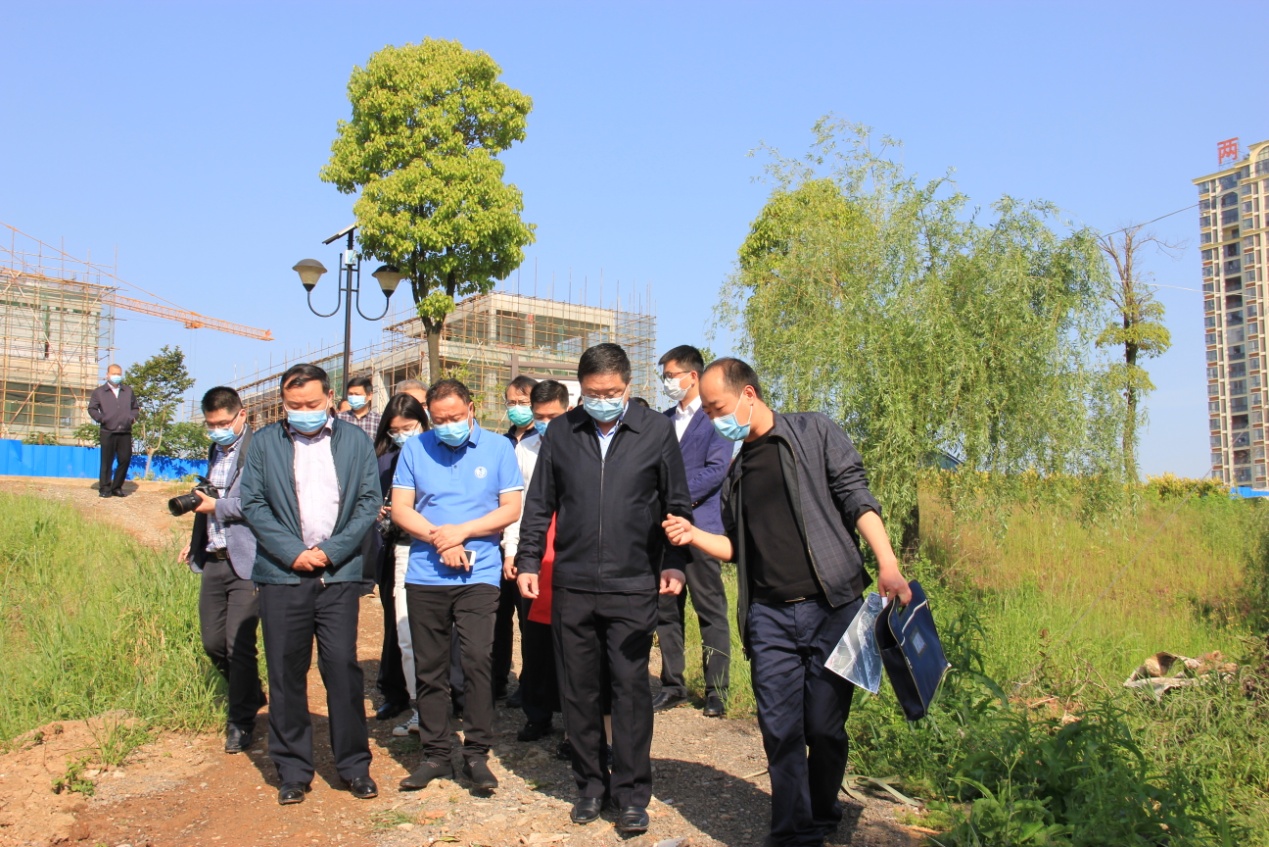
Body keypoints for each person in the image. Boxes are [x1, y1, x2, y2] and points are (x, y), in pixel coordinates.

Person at [662, 358, 912, 847]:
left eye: (716, 407)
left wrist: (887, 562)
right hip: (769, 616)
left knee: (824, 726)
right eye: (707, 411)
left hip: (833, 609)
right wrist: (693, 534)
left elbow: (856, 496)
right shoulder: (737, 471)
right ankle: (793, 831)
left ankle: (823, 809)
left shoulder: (812, 432)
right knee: (779, 729)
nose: (712, 418)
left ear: (748, 394)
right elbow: (736, 547)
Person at [515, 343, 691, 834]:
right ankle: (590, 785)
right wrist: (528, 560)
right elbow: (539, 504)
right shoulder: (562, 433)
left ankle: (632, 794)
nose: (604, 400)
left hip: (633, 583)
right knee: (579, 690)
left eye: (612, 392)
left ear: (629, 386)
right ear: (580, 390)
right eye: (594, 393)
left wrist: (675, 563)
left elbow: (676, 504)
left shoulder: (655, 430)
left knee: (630, 689)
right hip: (573, 584)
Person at [240, 363, 382, 806]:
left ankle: (354, 766)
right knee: (286, 672)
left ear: (330, 397)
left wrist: (332, 551)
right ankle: (293, 770)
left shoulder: (355, 441)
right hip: (283, 575)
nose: (303, 411)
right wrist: (292, 552)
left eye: (312, 404)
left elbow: (368, 501)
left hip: (337, 574)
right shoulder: (265, 442)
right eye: (294, 405)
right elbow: (253, 502)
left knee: (342, 668)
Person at [392, 379, 524, 793]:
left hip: (478, 573)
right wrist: (440, 540)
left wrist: (461, 533)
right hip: (425, 573)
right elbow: (401, 509)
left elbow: (511, 508)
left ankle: (477, 752)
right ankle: (435, 753)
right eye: (439, 419)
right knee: (430, 667)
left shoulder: (498, 448)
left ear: (471, 409)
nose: (447, 424)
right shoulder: (416, 448)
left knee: (477, 660)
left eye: (454, 416)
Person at [177, 386, 266, 754]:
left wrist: (217, 507)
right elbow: (209, 497)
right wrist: (195, 540)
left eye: (223, 423)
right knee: (213, 643)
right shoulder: (215, 451)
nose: (217, 430)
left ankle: (240, 722)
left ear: (241, 415)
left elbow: (261, 503)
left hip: (248, 560)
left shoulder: (260, 450)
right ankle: (252, 692)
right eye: (211, 425)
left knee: (238, 645)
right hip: (214, 558)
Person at [653, 345, 735, 717]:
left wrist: (675, 498)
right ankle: (673, 685)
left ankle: (717, 690)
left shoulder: (715, 417)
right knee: (666, 609)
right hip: (666, 529)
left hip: (701, 529)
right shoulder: (662, 421)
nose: (667, 382)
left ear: (692, 376)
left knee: (710, 609)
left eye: (671, 375)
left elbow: (716, 470)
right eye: (664, 376)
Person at [502, 379, 569, 741]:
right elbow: (515, 506)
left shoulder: (582, 445)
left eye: (552, 417)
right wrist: (512, 550)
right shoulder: (524, 450)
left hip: (571, 551)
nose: (545, 423)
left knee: (572, 638)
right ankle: (538, 713)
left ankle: (574, 719)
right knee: (535, 637)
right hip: (534, 551)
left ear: (567, 410)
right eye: (539, 417)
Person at [367, 394, 430, 726]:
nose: (401, 435)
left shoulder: (435, 452)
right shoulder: (382, 459)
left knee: (433, 626)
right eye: (395, 431)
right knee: (396, 623)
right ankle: (395, 692)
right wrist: (376, 509)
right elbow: (365, 498)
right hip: (393, 548)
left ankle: (444, 694)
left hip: (430, 546)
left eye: (408, 427)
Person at [494, 374, 538, 704]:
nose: (517, 408)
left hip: (528, 540)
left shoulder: (544, 442)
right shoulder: (500, 443)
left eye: (524, 402)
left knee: (529, 618)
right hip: (495, 539)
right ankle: (495, 679)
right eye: (512, 402)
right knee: (496, 616)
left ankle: (530, 683)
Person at [87, 363, 138, 498]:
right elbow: (92, 409)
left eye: (119, 374)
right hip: (107, 431)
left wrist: (132, 418)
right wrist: (102, 419)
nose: (116, 376)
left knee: (125, 459)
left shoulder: (128, 391)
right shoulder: (99, 392)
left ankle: (117, 487)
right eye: (114, 374)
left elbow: (135, 408)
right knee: (107, 462)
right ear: (107, 375)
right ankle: (105, 488)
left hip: (125, 431)